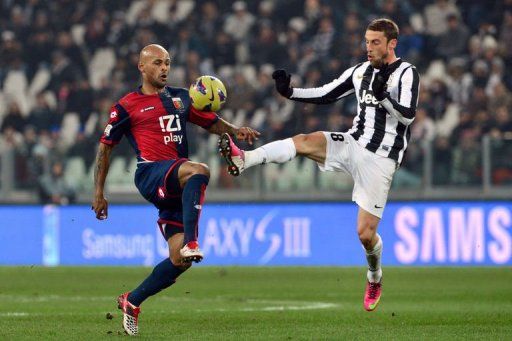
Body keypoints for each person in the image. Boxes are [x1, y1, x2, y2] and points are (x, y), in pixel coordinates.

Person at [219, 18, 419, 312]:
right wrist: (291, 93)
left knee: (365, 234)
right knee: (304, 140)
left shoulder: (407, 73)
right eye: (366, 41)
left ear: (392, 44)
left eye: (375, 42)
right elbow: (328, 93)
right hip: (353, 143)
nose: (369, 48)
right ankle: (244, 159)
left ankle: (374, 275)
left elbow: (408, 116)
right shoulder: (361, 71)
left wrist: (383, 97)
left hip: (381, 158)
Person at [92, 44, 259, 335]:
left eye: (167, 63)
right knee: (200, 170)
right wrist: (98, 193)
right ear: (142, 67)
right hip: (151, 173)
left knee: (179, 260)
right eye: (157, 63)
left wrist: (236, 131)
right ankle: (193, 240)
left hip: (176, 185)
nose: (164, 68)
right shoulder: (126, 106)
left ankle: (132, 300)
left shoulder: (181, 98)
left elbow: (212, 122)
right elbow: (105, 149)